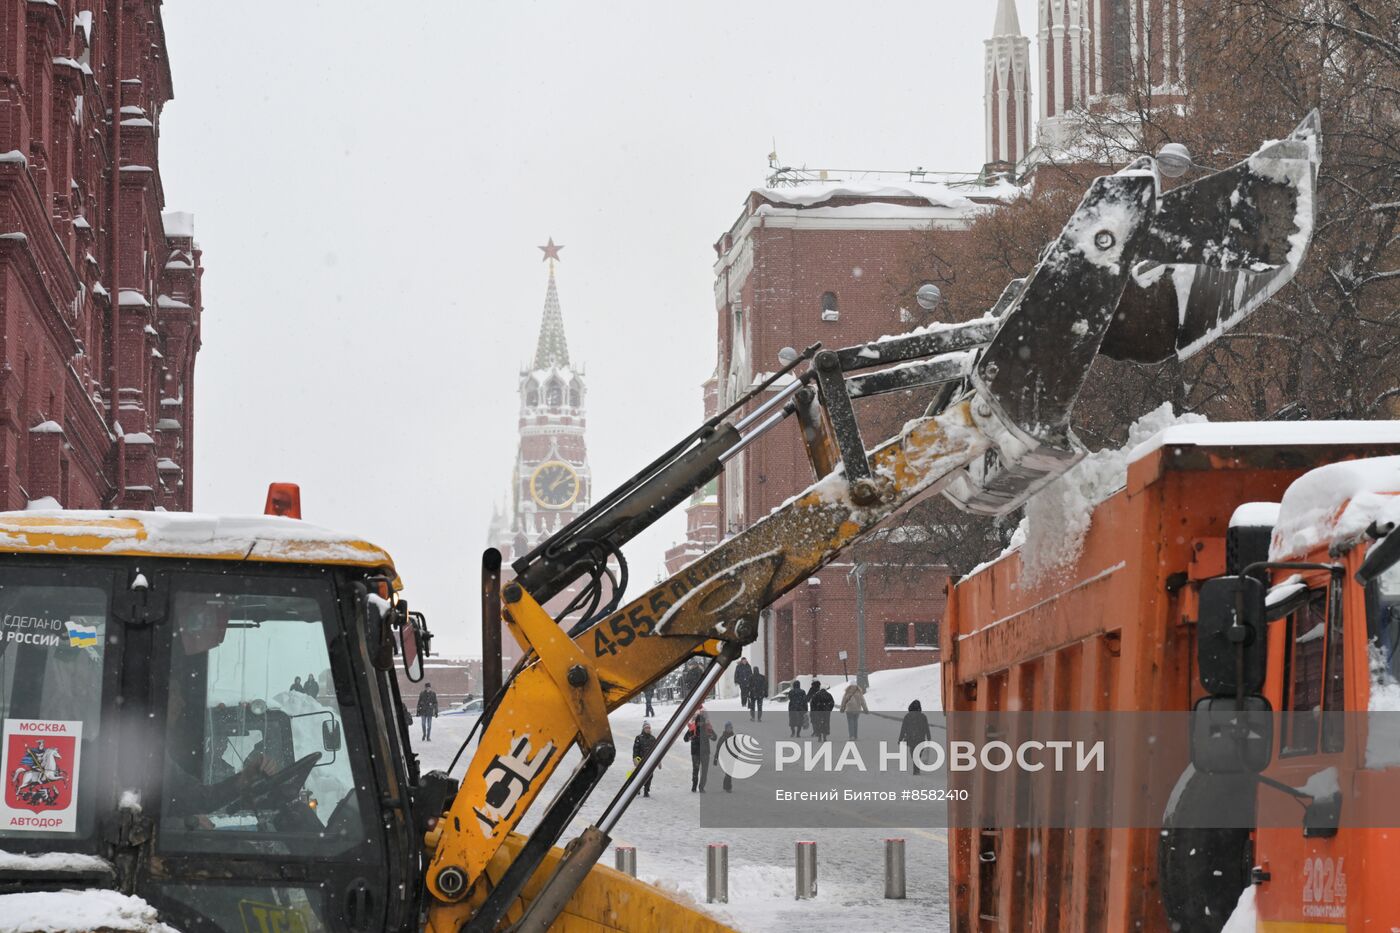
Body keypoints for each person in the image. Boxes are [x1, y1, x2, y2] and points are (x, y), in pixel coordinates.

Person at [683, 709, 717, 792]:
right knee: (696, 770)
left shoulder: (707, 728)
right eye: (699, 722)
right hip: (696, 753)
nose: (700, 724)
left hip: (705, 752)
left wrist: (710, 736)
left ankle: (701, 787)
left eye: (702, 722)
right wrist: (690, 737)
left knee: (704, 771)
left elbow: (715, 737)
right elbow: (685, 739)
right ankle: (694, 786)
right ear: (696, 722)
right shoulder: (692, 728)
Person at [898, 699, 932, 774]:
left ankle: (916, 770)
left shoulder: (907, 716)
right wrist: (929, 738)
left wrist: (900, 739)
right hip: (921, 739)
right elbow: (926, 728)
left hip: (911, 739)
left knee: (914, 754)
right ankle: (916, 770)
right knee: (917, 755)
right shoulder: (923, 717)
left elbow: (903, 729)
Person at [632, 721, 658, 798]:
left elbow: (656, 750)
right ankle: (637, 788)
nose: (648, 729)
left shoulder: (653, 738)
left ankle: (646, 790)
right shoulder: (639, 738)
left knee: (650, 775)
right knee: (640, 775)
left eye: (649, 728)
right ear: (643, 729)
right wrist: (634, 758)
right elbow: (635, 749)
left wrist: (658, 761)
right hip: (641, 760)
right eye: (646, 728)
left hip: (650, 760)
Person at [714, 721, 736, 792]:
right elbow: (718, 748)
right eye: (729, 727)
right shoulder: (723, 738)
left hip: (732, 758)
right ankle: (728, 788)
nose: (731, 729)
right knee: (729, 773)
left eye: (731, 727)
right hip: (725, 758)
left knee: (729, 773)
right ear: (726, 728)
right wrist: (716, 758)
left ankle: (725, 786)